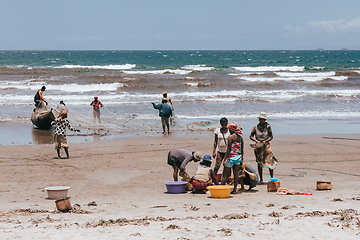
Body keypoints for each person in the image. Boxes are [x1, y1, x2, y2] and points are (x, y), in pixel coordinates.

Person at [249, 112, 278, 184]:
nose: (260, 120)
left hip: (266, 146)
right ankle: (261, 179)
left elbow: (271, 137)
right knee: (259, 163)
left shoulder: (268, 127)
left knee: (270, 162)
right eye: (260, 119)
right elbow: (251, 136)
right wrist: (256, 141)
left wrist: (265, 141)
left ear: (264, 120)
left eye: (262, 119)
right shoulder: (255, 127)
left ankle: (271, 178)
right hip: (258, 146)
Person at [221, 122, 244, 194]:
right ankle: (234, 189)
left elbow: (228, 149)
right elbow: (242, 150)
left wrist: (224, 159)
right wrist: (241, 159)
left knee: (225, 174)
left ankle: (221, 188)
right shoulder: (240, 138)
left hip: (231, 157)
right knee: (236, 174)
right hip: (238, 157)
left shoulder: (230, 137)